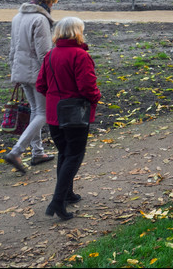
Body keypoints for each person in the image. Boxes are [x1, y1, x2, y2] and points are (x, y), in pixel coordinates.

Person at [36, 17, 101, 221]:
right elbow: (87, 87)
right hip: (74, 113)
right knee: (74, 155)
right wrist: (96, 97)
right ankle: (57, 201)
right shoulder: (80, 56)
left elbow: (40, 85)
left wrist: (56, 95)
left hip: (54, 112)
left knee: (64, 153)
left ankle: (66, 194)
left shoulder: (50, 55)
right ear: (77, 32)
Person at [3, 0, 58, 174]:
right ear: (49, 1)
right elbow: (44, 53)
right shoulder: (40, 19)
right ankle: (16, 151)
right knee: (43, 113)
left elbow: (13, 49)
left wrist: (14, 70)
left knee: (35, 110)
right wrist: (51, 75)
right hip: (37, 72)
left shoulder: (18, 17)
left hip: (21, 70)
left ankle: (37, 152)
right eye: (54, 2)